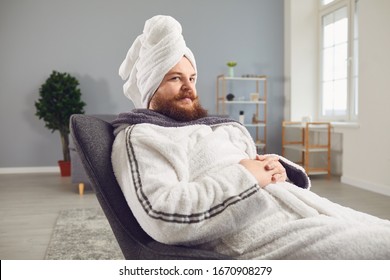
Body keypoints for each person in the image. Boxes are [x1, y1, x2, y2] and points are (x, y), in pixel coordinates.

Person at [111, 15, 390, 259]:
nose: (189, 88)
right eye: (175, 78)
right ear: (151, 85)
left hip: (307, 210)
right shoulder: (142, 136)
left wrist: (276, 169)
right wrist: (246, 176)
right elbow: (164, 215)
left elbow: (251, 166)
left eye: (192, 78)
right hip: (265, 237)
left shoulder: (213, 127)